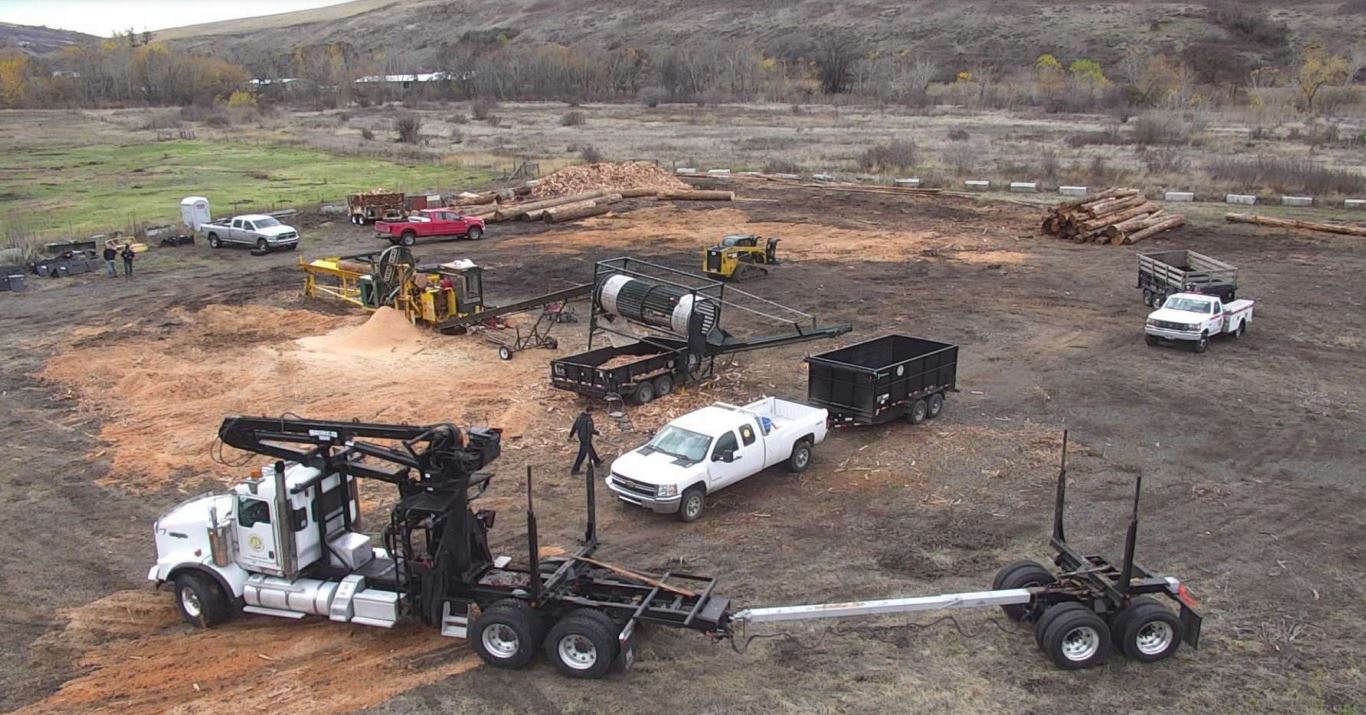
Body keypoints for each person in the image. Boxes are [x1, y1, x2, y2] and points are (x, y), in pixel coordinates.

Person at [568, 405, 602, 475]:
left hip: (581, 437)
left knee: (590, 448)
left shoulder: (579, 417)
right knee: (582, 454)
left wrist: (570, 435)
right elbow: (591, 430)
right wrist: (598, 433)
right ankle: (575, 469)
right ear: (590, 411)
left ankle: (597, 461)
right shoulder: (589, 420)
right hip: (586, 438)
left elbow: (574, 427)